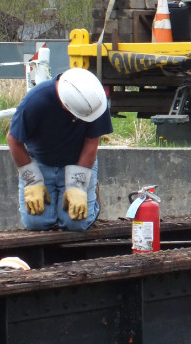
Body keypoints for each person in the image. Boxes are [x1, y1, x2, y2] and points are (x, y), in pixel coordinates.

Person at [7, 67, 113, 231]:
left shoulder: (94, 99)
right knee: (36, 223)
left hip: (77, 161)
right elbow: (14, 140)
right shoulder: (36, 101)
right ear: (65, 105)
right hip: (40, 162)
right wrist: (32, 181)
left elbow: (92, 142)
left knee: (76, 223)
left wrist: (78, 183)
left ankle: (92, 202)